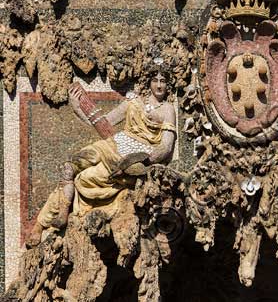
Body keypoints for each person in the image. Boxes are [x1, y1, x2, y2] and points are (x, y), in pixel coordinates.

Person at [27, 72, 177, 247]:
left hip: (133, 159)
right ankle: (52, 218)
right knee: (69, 168)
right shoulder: (133, 101)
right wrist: (77, 109)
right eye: (155, 80)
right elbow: (103, 121)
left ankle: (46, 222)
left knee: (85, 179)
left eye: (163, 81)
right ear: (148, 82)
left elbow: (166, 146)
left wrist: (143, 162)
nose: (159, 86)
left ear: (168, 85)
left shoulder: (168, 110)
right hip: (113, 145)